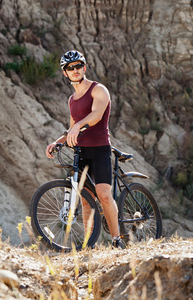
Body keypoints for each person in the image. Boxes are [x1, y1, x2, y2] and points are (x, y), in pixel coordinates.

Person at [45, 50, 124, 249]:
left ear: (85, 68)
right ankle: (89, 244)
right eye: (70, 68)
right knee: (86, 200)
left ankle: (117, 240)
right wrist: (57, 142)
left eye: (78, 66)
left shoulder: (99, 90)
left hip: (100, 150)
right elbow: (73, 126)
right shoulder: (72, 100)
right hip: (81, 152)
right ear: (65, 73)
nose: (75, 70)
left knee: (104, 195)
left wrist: (78, 126)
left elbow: (96, 115)